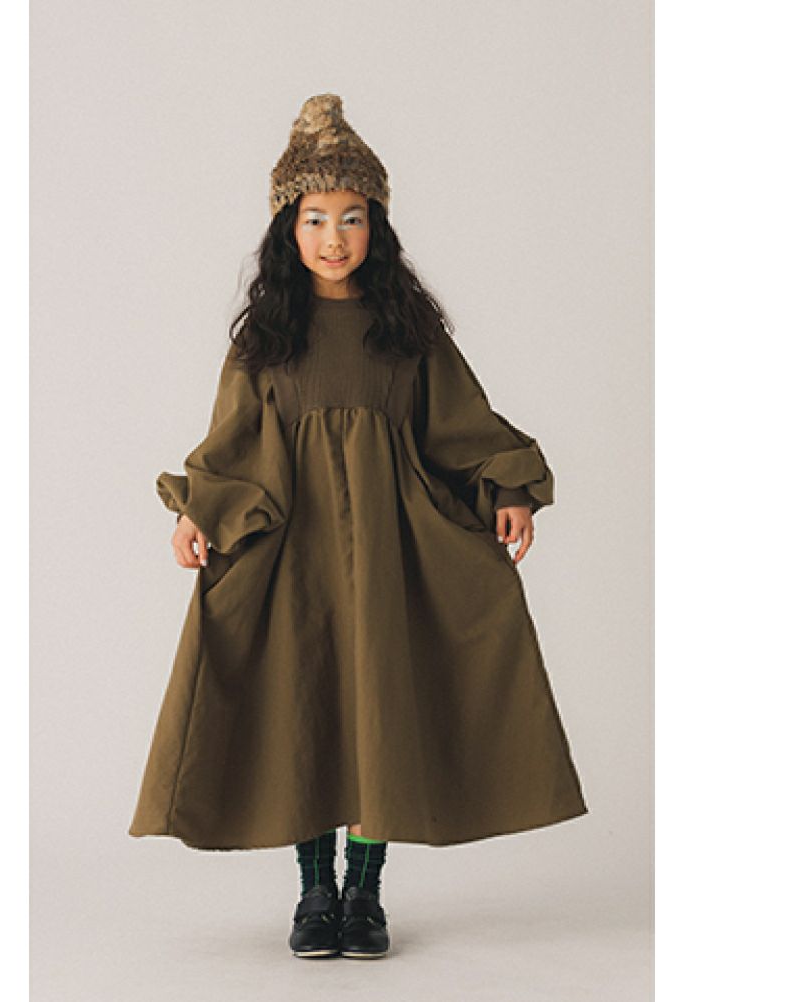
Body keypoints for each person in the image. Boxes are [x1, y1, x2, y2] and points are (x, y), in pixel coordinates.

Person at [128, 93, 589, 960]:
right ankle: (314, 892)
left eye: (351, 217)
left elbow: (461, 425)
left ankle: (365, 892)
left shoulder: (408, 333)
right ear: (287, 230)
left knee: (379, 706)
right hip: (294, 553)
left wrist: (508, 487)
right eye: (314, 219)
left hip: (392, 551)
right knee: (305, 703)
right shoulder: (266, 342)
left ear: (376, 225)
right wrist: (200, 509)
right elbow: (232, 442)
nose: (333, 237)